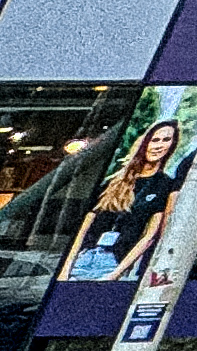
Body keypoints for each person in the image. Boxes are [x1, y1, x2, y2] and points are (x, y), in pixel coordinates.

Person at [59, 116, 185, 282]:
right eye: (154, 140)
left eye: (166, 140)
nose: (159, 145)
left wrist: (114, 275)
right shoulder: (113, 182)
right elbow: (84, 228)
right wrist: (65, 270)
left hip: (114, 264)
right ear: (145, 143)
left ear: (172, 145)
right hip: (82, 259)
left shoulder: (165, 185)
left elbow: (149, 237)